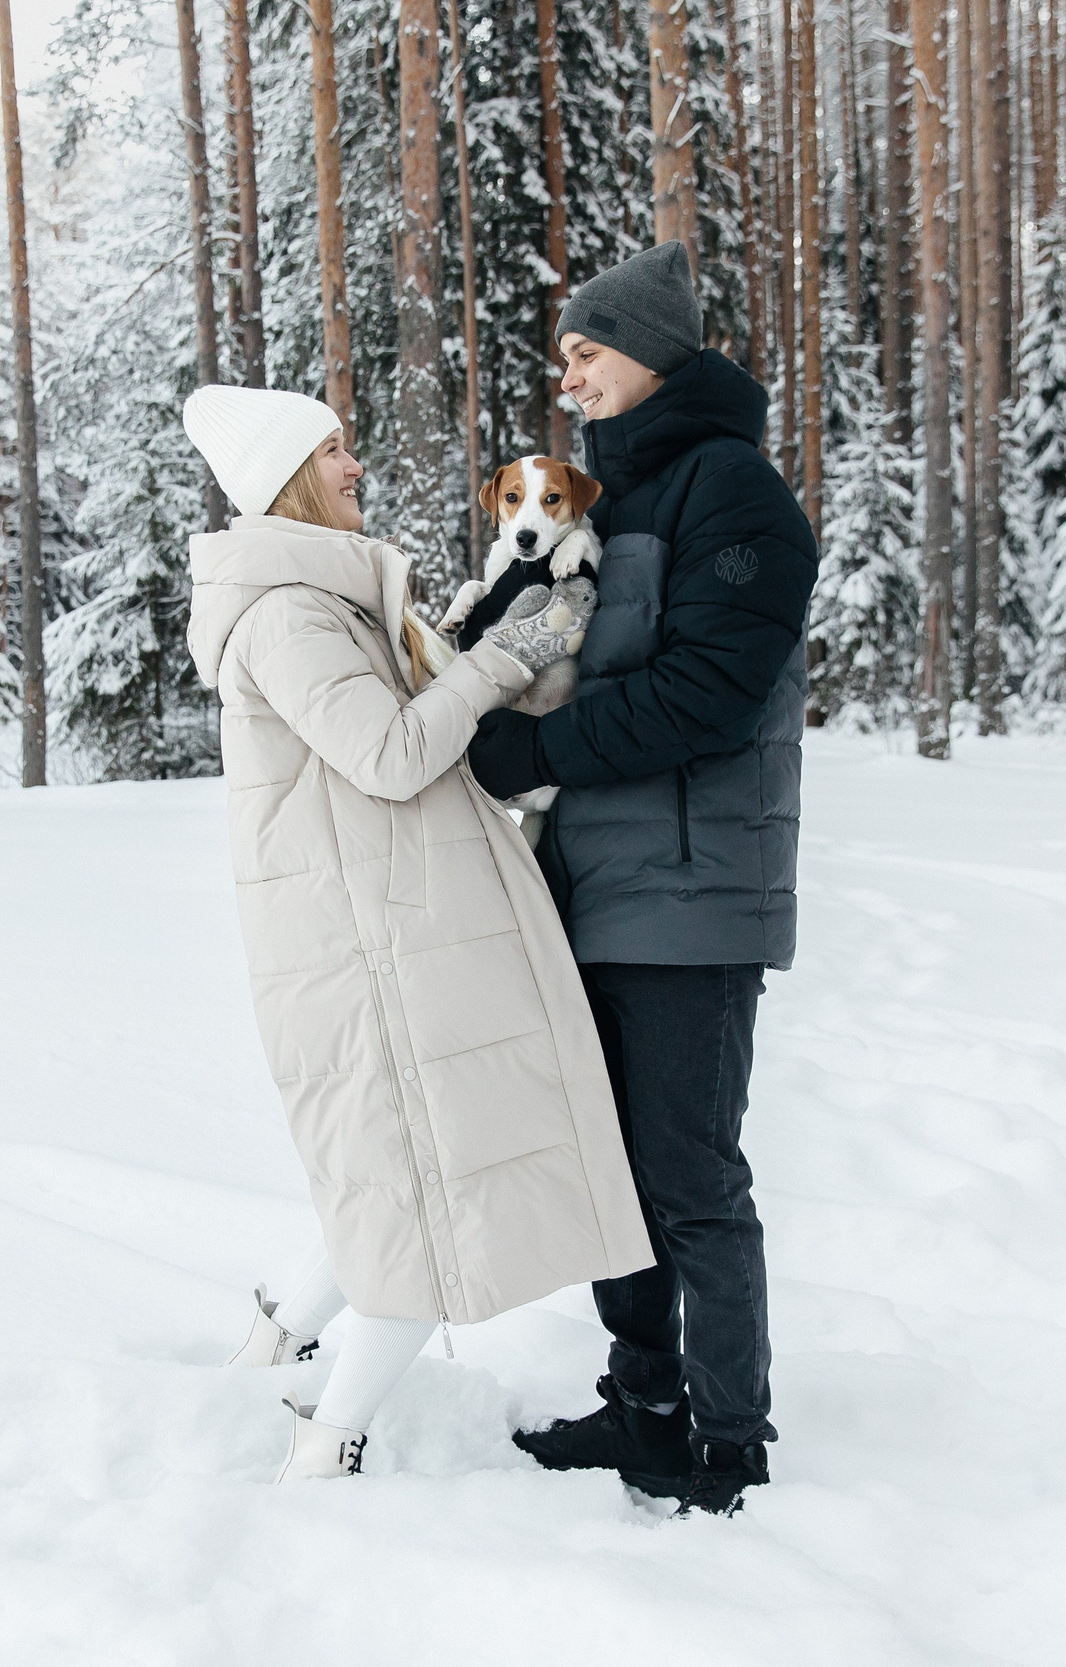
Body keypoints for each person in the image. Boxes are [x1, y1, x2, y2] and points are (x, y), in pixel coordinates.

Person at [180, 384, 653, 1483]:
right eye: (333, 451)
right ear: (289, 480)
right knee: (429, 1204)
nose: (356, 464)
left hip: (395, 933)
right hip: (376, 952)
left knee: (402, 1183)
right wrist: (507, 657)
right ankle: (327, 1442)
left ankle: (268, 1355)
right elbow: (390, 756)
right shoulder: (289, 616)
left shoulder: (326, 598)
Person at [466, 241, 820, 1517]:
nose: (568, 377)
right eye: (562, 358)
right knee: (607, 1177)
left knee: (687, 1180)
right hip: (599, 889)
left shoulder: (734, 494)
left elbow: (707, 695)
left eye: (587, 352)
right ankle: (645, 1404)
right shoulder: (608, 505)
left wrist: (536, 751)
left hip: (691, 894)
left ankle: (725, 1440)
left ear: (652, 353)